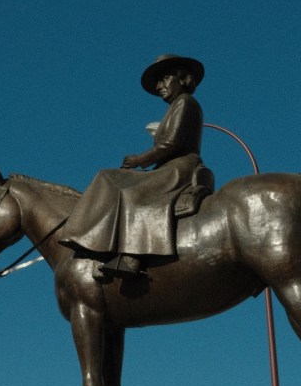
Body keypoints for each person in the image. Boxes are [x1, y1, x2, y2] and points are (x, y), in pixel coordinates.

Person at [61, 54, 211, 279]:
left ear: (182, 79)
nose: (160, 86)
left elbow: (171, 143)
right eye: (158, 82)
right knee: (113, 180)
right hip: (167, 166)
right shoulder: (174, 107)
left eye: (165, 78)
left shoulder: (185, 103)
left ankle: (130, 256)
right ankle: (103, 246)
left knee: (123, 186)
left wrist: (140, 160)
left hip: (180, 167)